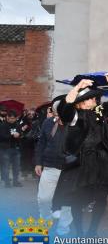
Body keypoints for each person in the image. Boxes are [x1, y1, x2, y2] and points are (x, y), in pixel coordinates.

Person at [56, 74, 108, 236]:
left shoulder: (99, 113)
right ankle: (79, 231)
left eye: (95, 98)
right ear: (81, 102)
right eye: (91, 99)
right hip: (80, 163)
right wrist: (78, 86)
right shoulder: (73, 116)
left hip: (100, 162)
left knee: (101, 199)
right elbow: (65, 106)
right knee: (77, 200)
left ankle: (92, 231)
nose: (95, 101)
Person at [35, 96, 72, 235]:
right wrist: (38, 162)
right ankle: (45, 223)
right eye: (56, 112)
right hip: (50, 167)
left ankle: (63, 228)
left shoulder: (75, 125)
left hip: (68, 170)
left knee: (67, 202)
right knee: (43, 199)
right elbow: (41, 144)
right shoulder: (47, 123)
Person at [0, 110, 23, 187]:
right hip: (5, 149)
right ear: (7, 117)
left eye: (14, 118)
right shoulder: (3, 125)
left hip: (15, 148)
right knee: (5, 166)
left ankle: (15, 181)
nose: (12, 120)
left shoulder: (17, 125)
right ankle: (7, 182)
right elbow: (2, 136)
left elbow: (20, 133)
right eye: (11, 118)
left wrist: (19, 135)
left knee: (16, 166)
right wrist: (12, 135)